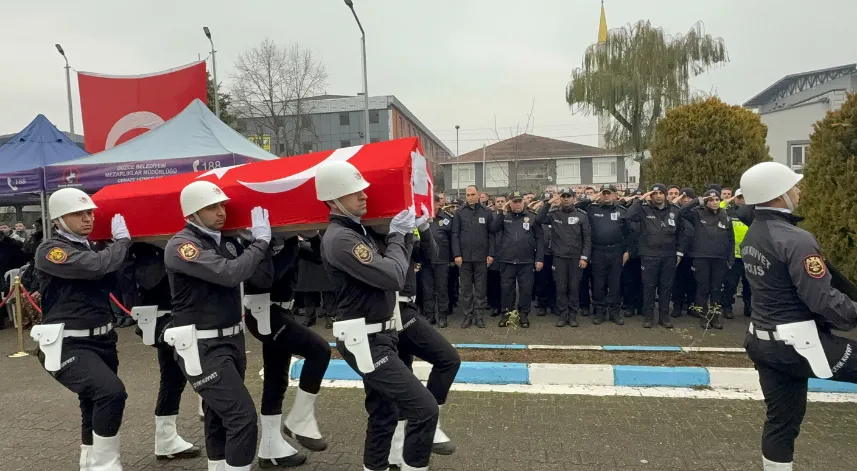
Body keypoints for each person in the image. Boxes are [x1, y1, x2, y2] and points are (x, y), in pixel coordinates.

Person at [317, 160, 438, 471]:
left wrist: (409, 232)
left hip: (379, 333)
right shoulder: (341, 238)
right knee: (423, 408)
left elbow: (415, 261)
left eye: (362, 189)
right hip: (365, 338)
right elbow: (392, 276)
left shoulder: (358, 232)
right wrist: (399, 236)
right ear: (333, 199)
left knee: (383, 412)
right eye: (353, 192)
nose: (363, 196)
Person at [740, 161, 857, 471]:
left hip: (764, 342)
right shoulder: (796, 239)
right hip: (799, 343)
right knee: (782, 422)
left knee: (782, 423)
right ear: (778, 195)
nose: (799, 189)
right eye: (793, 186)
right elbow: (823, 299)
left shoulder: (754, 234)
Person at [163, 180, 272, 471]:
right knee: (242, 417)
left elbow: (261, 279)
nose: (221, 212)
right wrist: (260, 243)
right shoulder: (182, 245)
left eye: (222, 205)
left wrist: (266, 246)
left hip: (232, 341)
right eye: (211, 207)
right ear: (192, 213)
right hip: (201, 345)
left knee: (217, 415)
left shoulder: (226, 241)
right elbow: (229, 273)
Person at [30, 188, 132, 470]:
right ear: (59, 219)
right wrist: (122, 243)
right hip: (68, 343)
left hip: (102, 340)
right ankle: (106, 465)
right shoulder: (52, 250)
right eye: (78, 214)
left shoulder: (93, 247)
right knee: (111, 393)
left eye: (90, 213)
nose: (88, 218)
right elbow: (95, 267)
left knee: (92, 401)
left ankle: (89, 461)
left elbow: (113, 279)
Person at [241, 232, 332, 467]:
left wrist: (316, 237)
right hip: (265, 313)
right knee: (319, 351)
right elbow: (265, 279)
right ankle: (299, 420)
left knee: (276, 378)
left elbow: (323, 259)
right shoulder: (254, 242)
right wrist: (291, 242)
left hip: (280, 313)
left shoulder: (285, 242)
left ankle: (270, 446)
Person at [128, 242, 202, 461]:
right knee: (197, 362)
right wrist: (168, 252)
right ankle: (205, 400)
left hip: (185, 316)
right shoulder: (143, 247)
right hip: (161, 318)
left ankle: (166, 439)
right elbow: (147, 279)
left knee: (172, 379)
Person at [678, 188, 735, 329]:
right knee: (703, 288)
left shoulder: (725, 215)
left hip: (720, 258)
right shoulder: (697, 214)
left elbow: (731, 238)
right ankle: (703, 317)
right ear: (706, 201)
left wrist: (731, 258)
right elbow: (681, 212)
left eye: (717, 199)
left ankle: (715, 317)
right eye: (711, 200)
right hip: (701, 257)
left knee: (716, 289)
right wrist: (698, 201)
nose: (715, 202)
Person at [536, 188, 591, 327]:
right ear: (560, 198)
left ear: (574, 198)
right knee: (561, 287)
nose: (566, 199)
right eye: (563, 196)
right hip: (559, 257)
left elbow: (587, 238)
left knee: (574, 287)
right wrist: (548, 203)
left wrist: (584, 257)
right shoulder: (554, 214)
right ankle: (562, 314)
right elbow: (539, 219)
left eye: (569, 196)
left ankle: (573, 315)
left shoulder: (582, 215)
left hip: (575, 257)